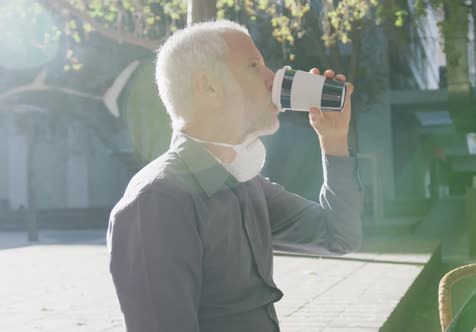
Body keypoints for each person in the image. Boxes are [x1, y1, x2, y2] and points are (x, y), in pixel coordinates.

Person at [107, 19, 363, 332]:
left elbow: (339, 235)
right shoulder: (157, 201)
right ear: (209, 85)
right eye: (254, 66)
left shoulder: (245, 182)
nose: (273, 79)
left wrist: (334, 141)